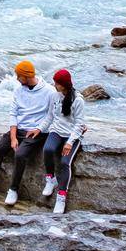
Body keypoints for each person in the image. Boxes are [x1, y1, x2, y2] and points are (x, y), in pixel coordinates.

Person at [0, 59, 55, 206]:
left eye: (18, 76)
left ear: (26, 76)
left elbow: (51, 115)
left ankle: (13, 190)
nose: (16, 79)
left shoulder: (49, 91)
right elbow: (13, 114)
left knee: (20, 154)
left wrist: (39, 129)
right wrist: (13, 137)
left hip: (36, 132)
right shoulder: (18, 90)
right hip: (18, 129)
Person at [41, 67, 87, 218]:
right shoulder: (55, 96)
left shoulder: (78, 100)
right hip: (56, 131)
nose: (54, 85)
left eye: (57, 83)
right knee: (47, 149)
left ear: (65, 84)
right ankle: (50, 179)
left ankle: (61, 197)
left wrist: (69, 142)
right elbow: (49, 116)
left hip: (71, 136)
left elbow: (79, 124)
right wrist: (39, 129)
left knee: (64, 162)